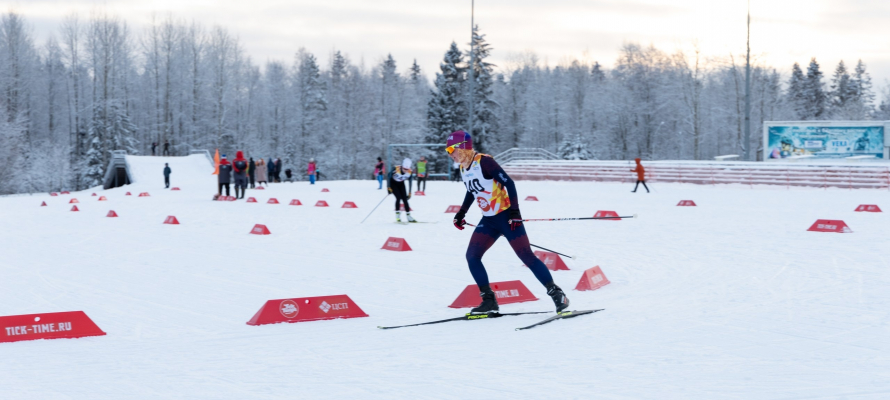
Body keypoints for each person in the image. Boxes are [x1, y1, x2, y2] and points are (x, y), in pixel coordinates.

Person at [447, 130, 570, 315]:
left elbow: (509, 183)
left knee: (526, 256)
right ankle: (489, 301)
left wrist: (515, 212)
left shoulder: (484, 162)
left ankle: (558, 295)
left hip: (506, 217)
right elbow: (472, 191)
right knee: (472, 256)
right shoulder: (464, 168)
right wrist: (461, 212)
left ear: (462, 147)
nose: (450, 154)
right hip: (488, 221)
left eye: (451, 149)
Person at [388, 158, 416, 223]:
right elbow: (389, 176)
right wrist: (388, 187)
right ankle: (397, 216)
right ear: (402, 167)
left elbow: (410, 182)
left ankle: (409, 216)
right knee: (398, 198)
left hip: (401, 184)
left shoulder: (409, 172)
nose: (405, 170)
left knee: (405, 199)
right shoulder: (396, 168)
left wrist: (409, 192)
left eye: (407, 169)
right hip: (393, 184)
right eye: (404, 169)